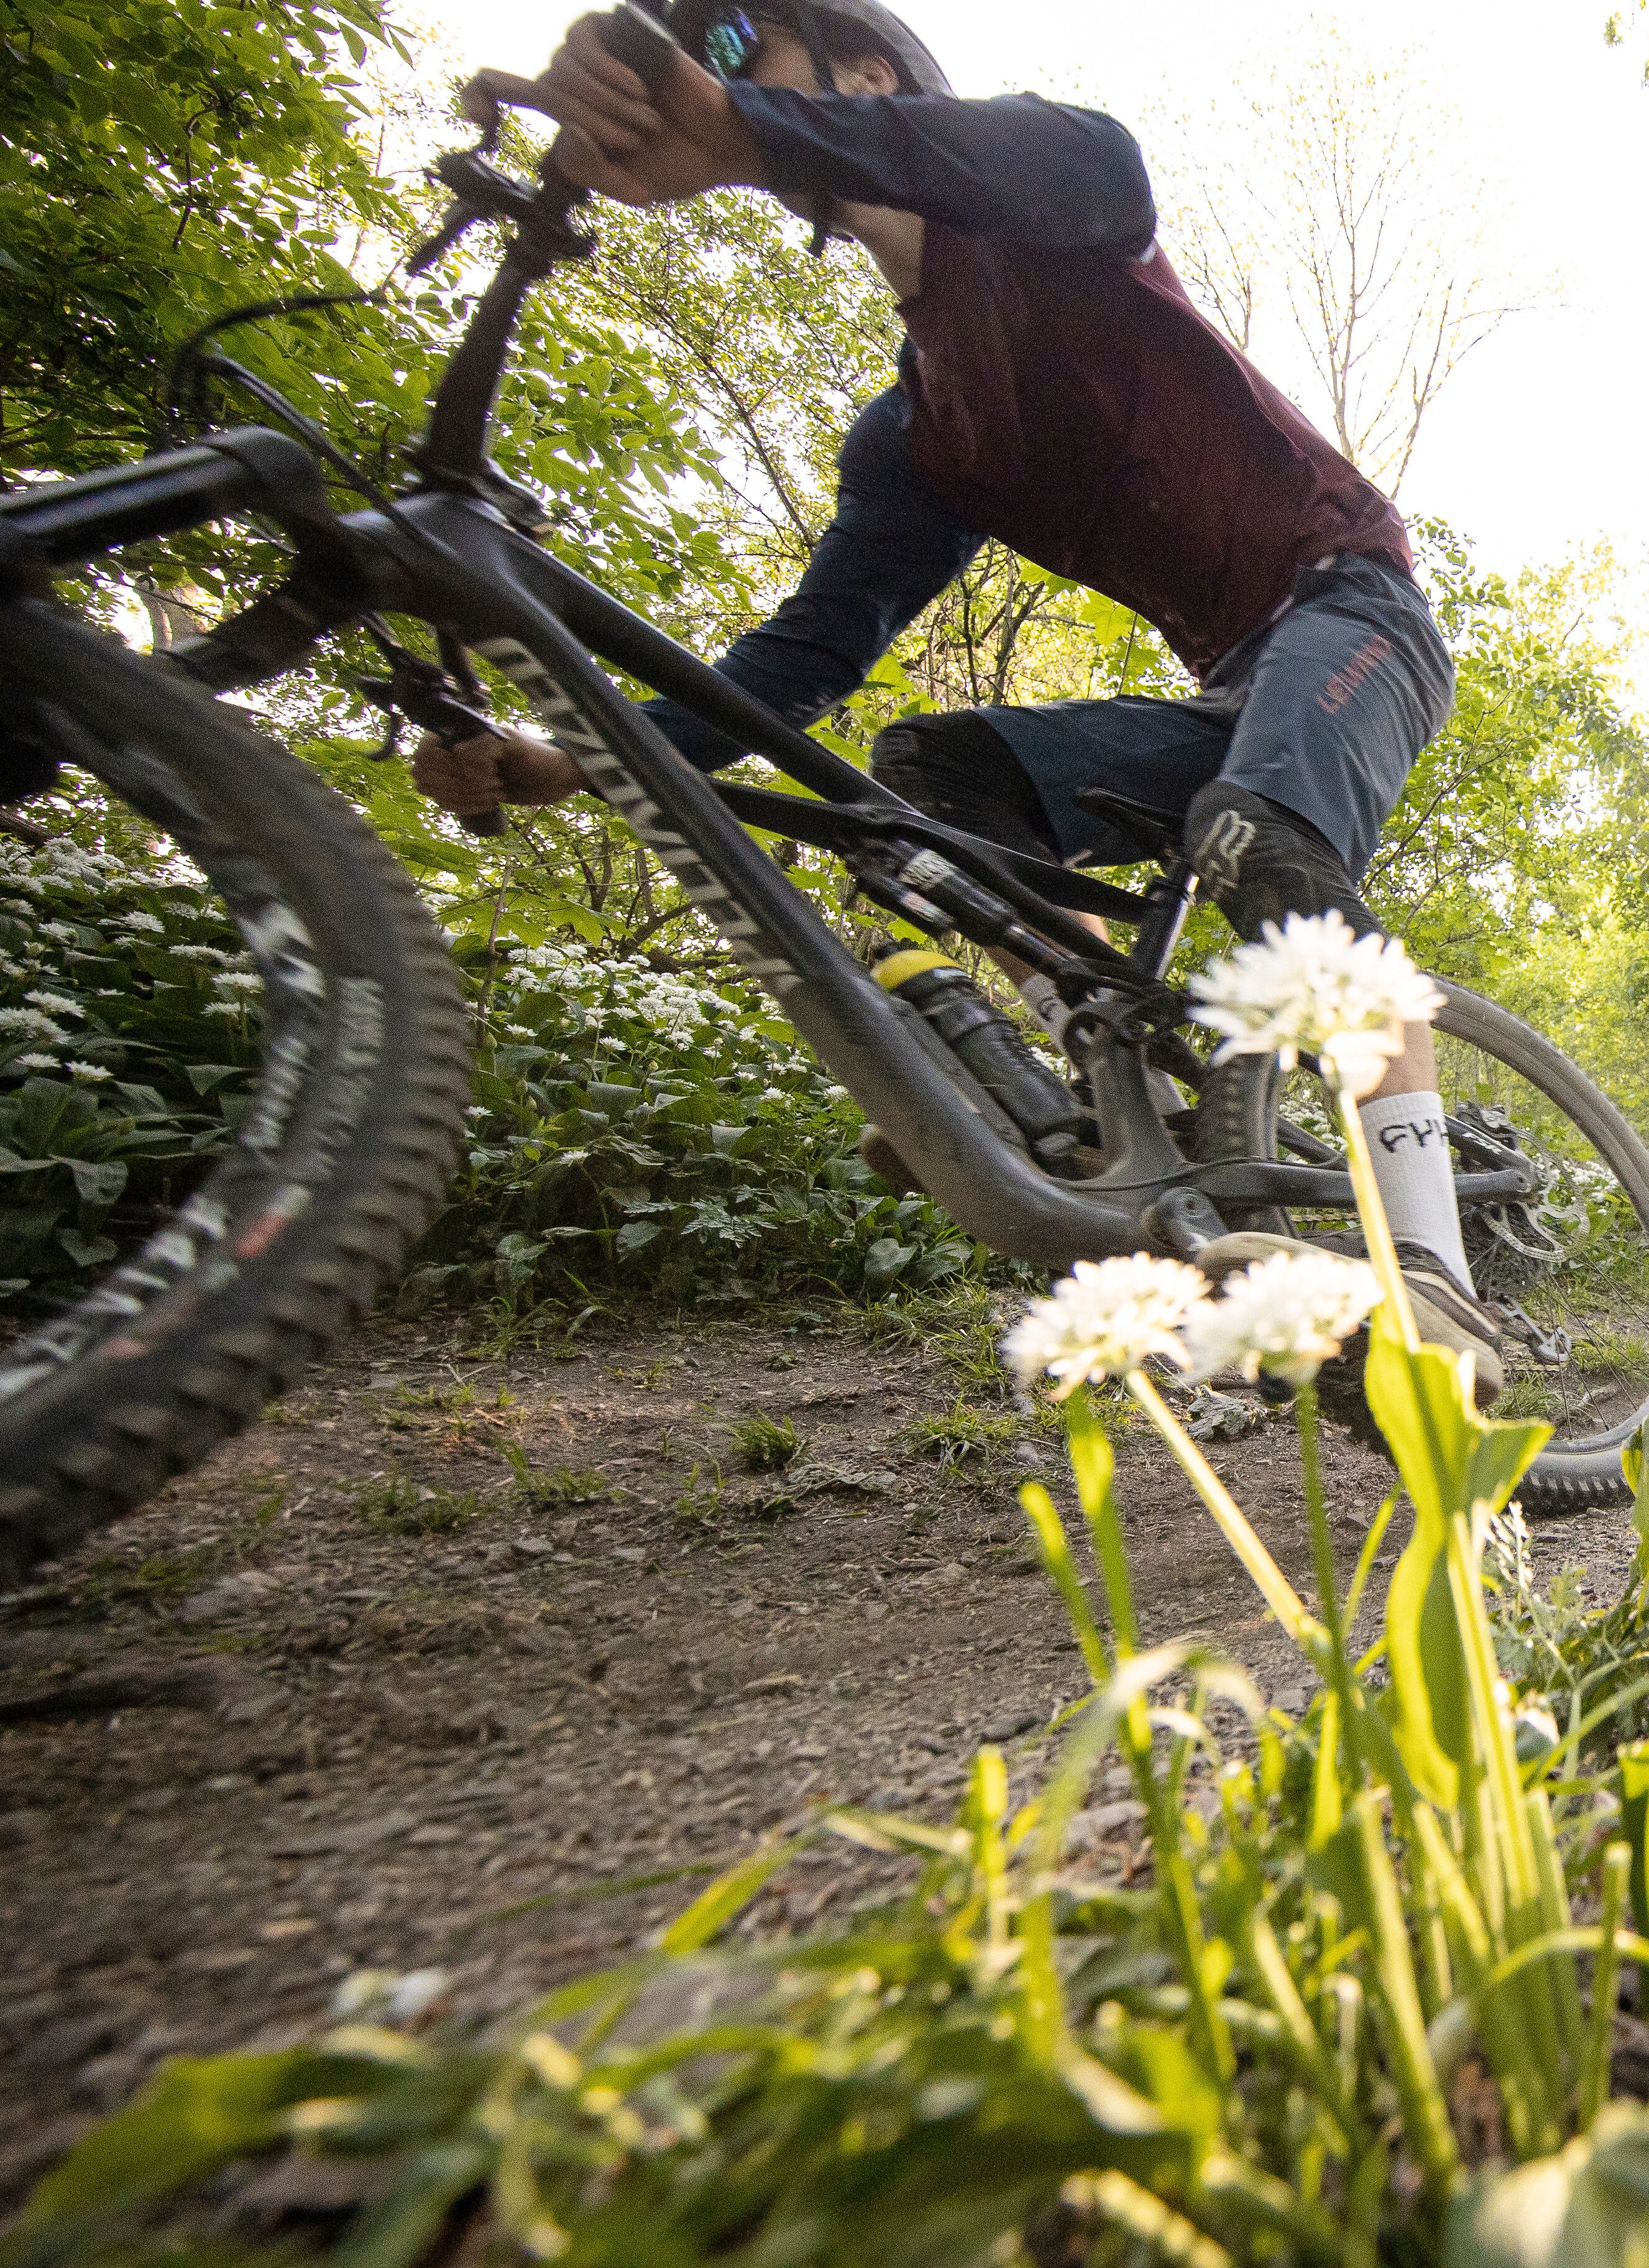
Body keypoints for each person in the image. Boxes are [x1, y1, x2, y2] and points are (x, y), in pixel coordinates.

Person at [416, 0, 1497, 1380]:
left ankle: (1433, 1276)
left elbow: (1102, 163)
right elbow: (807, 655)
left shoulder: (1041, 213)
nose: (715, 71)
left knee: (1258, 833)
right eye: (705, 59)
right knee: (922, 788)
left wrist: (738, 129)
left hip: (1357, 609)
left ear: (868, 73)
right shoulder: (923, 429)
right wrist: (573, 753)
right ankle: (1088, 1091)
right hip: (1233, 680)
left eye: (741, 43)